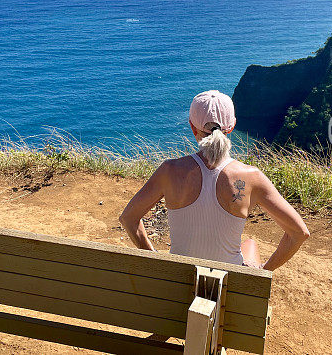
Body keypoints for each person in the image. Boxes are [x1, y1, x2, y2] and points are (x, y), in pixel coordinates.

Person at [119, 90, 310, 270]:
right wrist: (263, 272)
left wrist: (157, 261)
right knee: (250, 244)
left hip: (178, 284)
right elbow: (299, 233)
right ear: (232, 126)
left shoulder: (169, 171)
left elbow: (128, 218)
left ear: (192, 127)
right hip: (228, 286)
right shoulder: (252, 177)